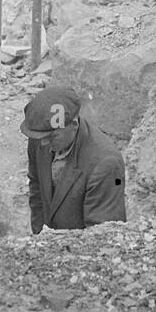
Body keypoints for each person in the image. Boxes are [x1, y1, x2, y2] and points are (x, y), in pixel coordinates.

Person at [22, 85, 126, 233]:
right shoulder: (41, 135)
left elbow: (102, 235)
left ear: (74, 125)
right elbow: (36, 188)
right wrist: (40, 239)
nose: (44, 143)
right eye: (41, 137)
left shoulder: (106, 164)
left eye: (52, 136)